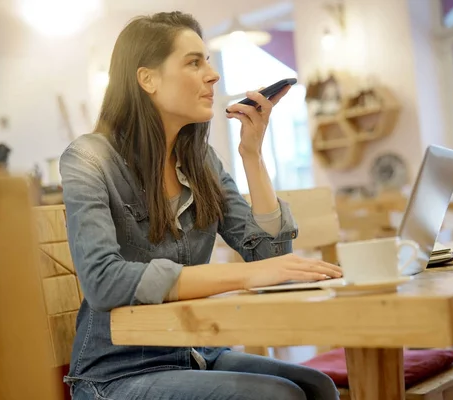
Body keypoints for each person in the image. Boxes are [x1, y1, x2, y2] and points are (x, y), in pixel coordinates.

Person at [59, 11, 342, 400]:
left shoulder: (202, 161)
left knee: (317, 386)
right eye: (194, 62)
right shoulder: (88, 159)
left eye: (207, 61)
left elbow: (272, 259)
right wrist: (244, 277)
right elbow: (104, 281)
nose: (212, 75)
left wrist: (253, 156)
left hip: (195, 352)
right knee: (278, 396)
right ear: (148, 79)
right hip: (115, 373)